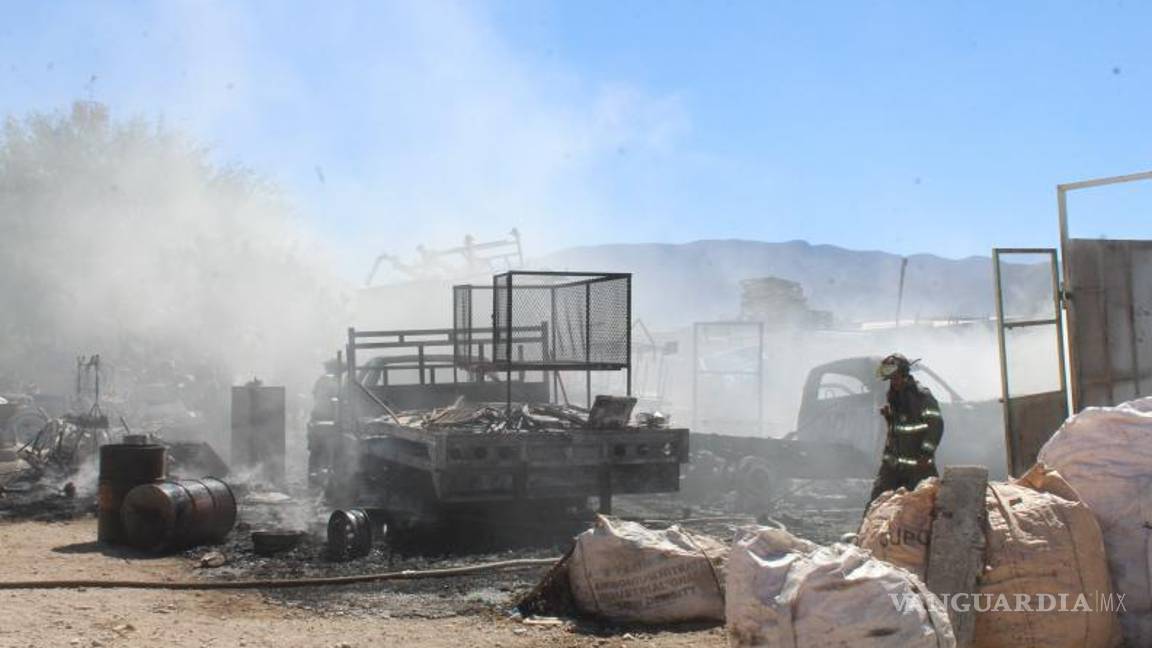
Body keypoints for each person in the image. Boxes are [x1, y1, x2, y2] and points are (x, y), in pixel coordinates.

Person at [868, 353, 943, 503]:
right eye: (890, 379)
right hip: (893, 465)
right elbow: (899, 429)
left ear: (904, 375)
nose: (893, 383)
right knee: (876, 504)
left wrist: (926, 453)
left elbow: (936, 425)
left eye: (895, 378)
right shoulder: (894, 395)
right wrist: (889, 418)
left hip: (917, 467)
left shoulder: (922, 397)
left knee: (923, 507)